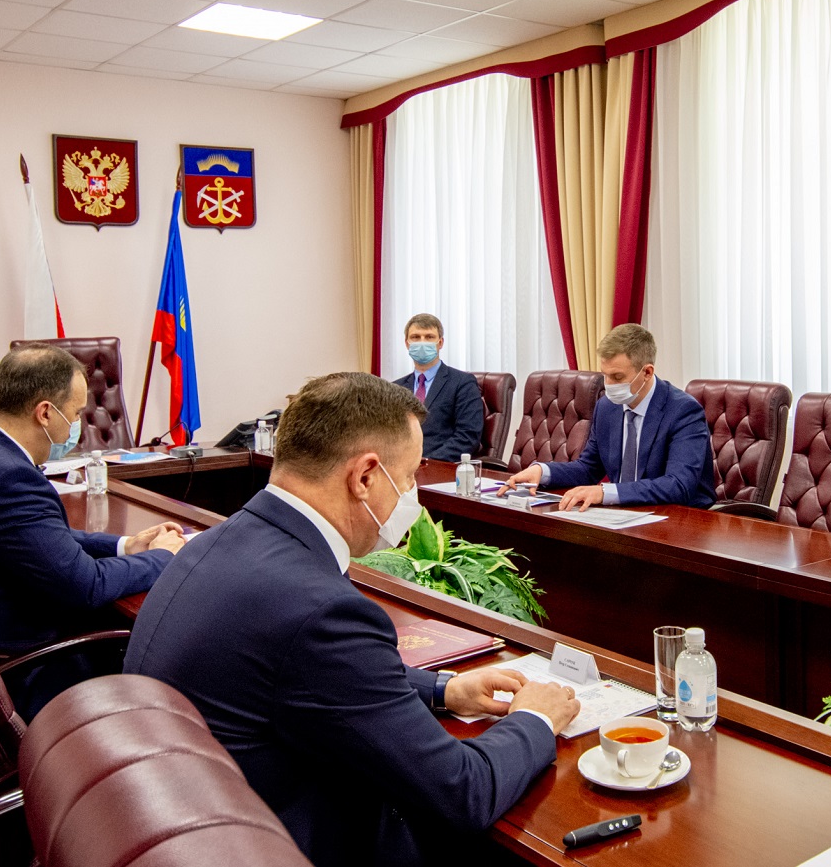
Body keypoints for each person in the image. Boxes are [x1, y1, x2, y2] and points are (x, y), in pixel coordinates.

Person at [125, 372, 578, 865]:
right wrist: (536, 717)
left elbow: (305, 674)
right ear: (364, 477)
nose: (412, 494)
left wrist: (443, 689)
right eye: (409, 477)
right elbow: (463, 792)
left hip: (184, 827)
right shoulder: (321, 611)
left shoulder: (216, 542)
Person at [0, 344, 184, 716]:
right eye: (76, 413)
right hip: (2, 672)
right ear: (45, 413)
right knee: (155, 648)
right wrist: (163, 557)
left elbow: (41, 539)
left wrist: (124, 545)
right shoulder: (8, 477)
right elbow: (86, 585)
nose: (78, 424)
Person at [501, 324, 716, 510]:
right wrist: (543, 471)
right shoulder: (607, 407)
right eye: (605, 375)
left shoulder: (683, 411)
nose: (609, 385)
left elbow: (677, 485)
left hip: (677, 518)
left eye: (617, 377)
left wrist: (605, 492)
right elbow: (588, 468)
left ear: (647, 372)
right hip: (622, 515)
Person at [392, 313, 484, 462]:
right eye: (415, 337)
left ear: (440, 343)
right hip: (398, 467)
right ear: (407, 344)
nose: (422, 342)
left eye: (429, 337)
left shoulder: (462, 383)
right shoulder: (395, 388)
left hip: (439, 466)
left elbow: (468, 436)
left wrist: (426, 462)